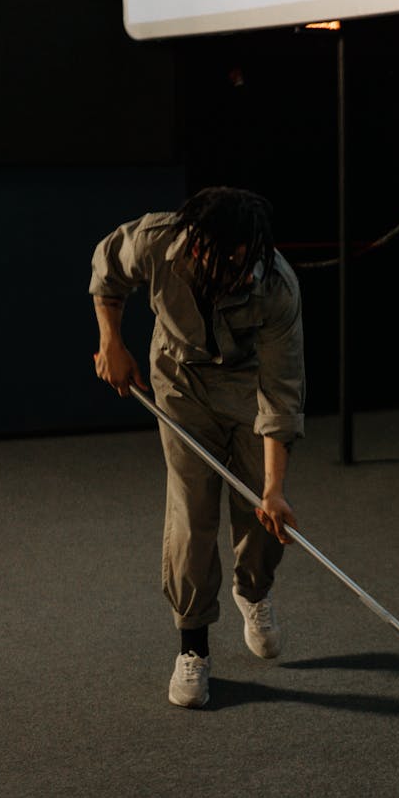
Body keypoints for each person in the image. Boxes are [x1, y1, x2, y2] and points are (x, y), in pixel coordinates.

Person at [90, 186, 305, 708]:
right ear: (197, 243)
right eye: (225, 259)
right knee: (193, 510)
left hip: (248, 386)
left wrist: (274, 489)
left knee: (261, 507)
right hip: (180, 380)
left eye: (244, 261)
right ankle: (193, 646)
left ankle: (252, 591)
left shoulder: (276, 285)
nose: (237, 272)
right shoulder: (156, 240)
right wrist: (111, 342)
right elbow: (107, 272)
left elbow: (280, 396)